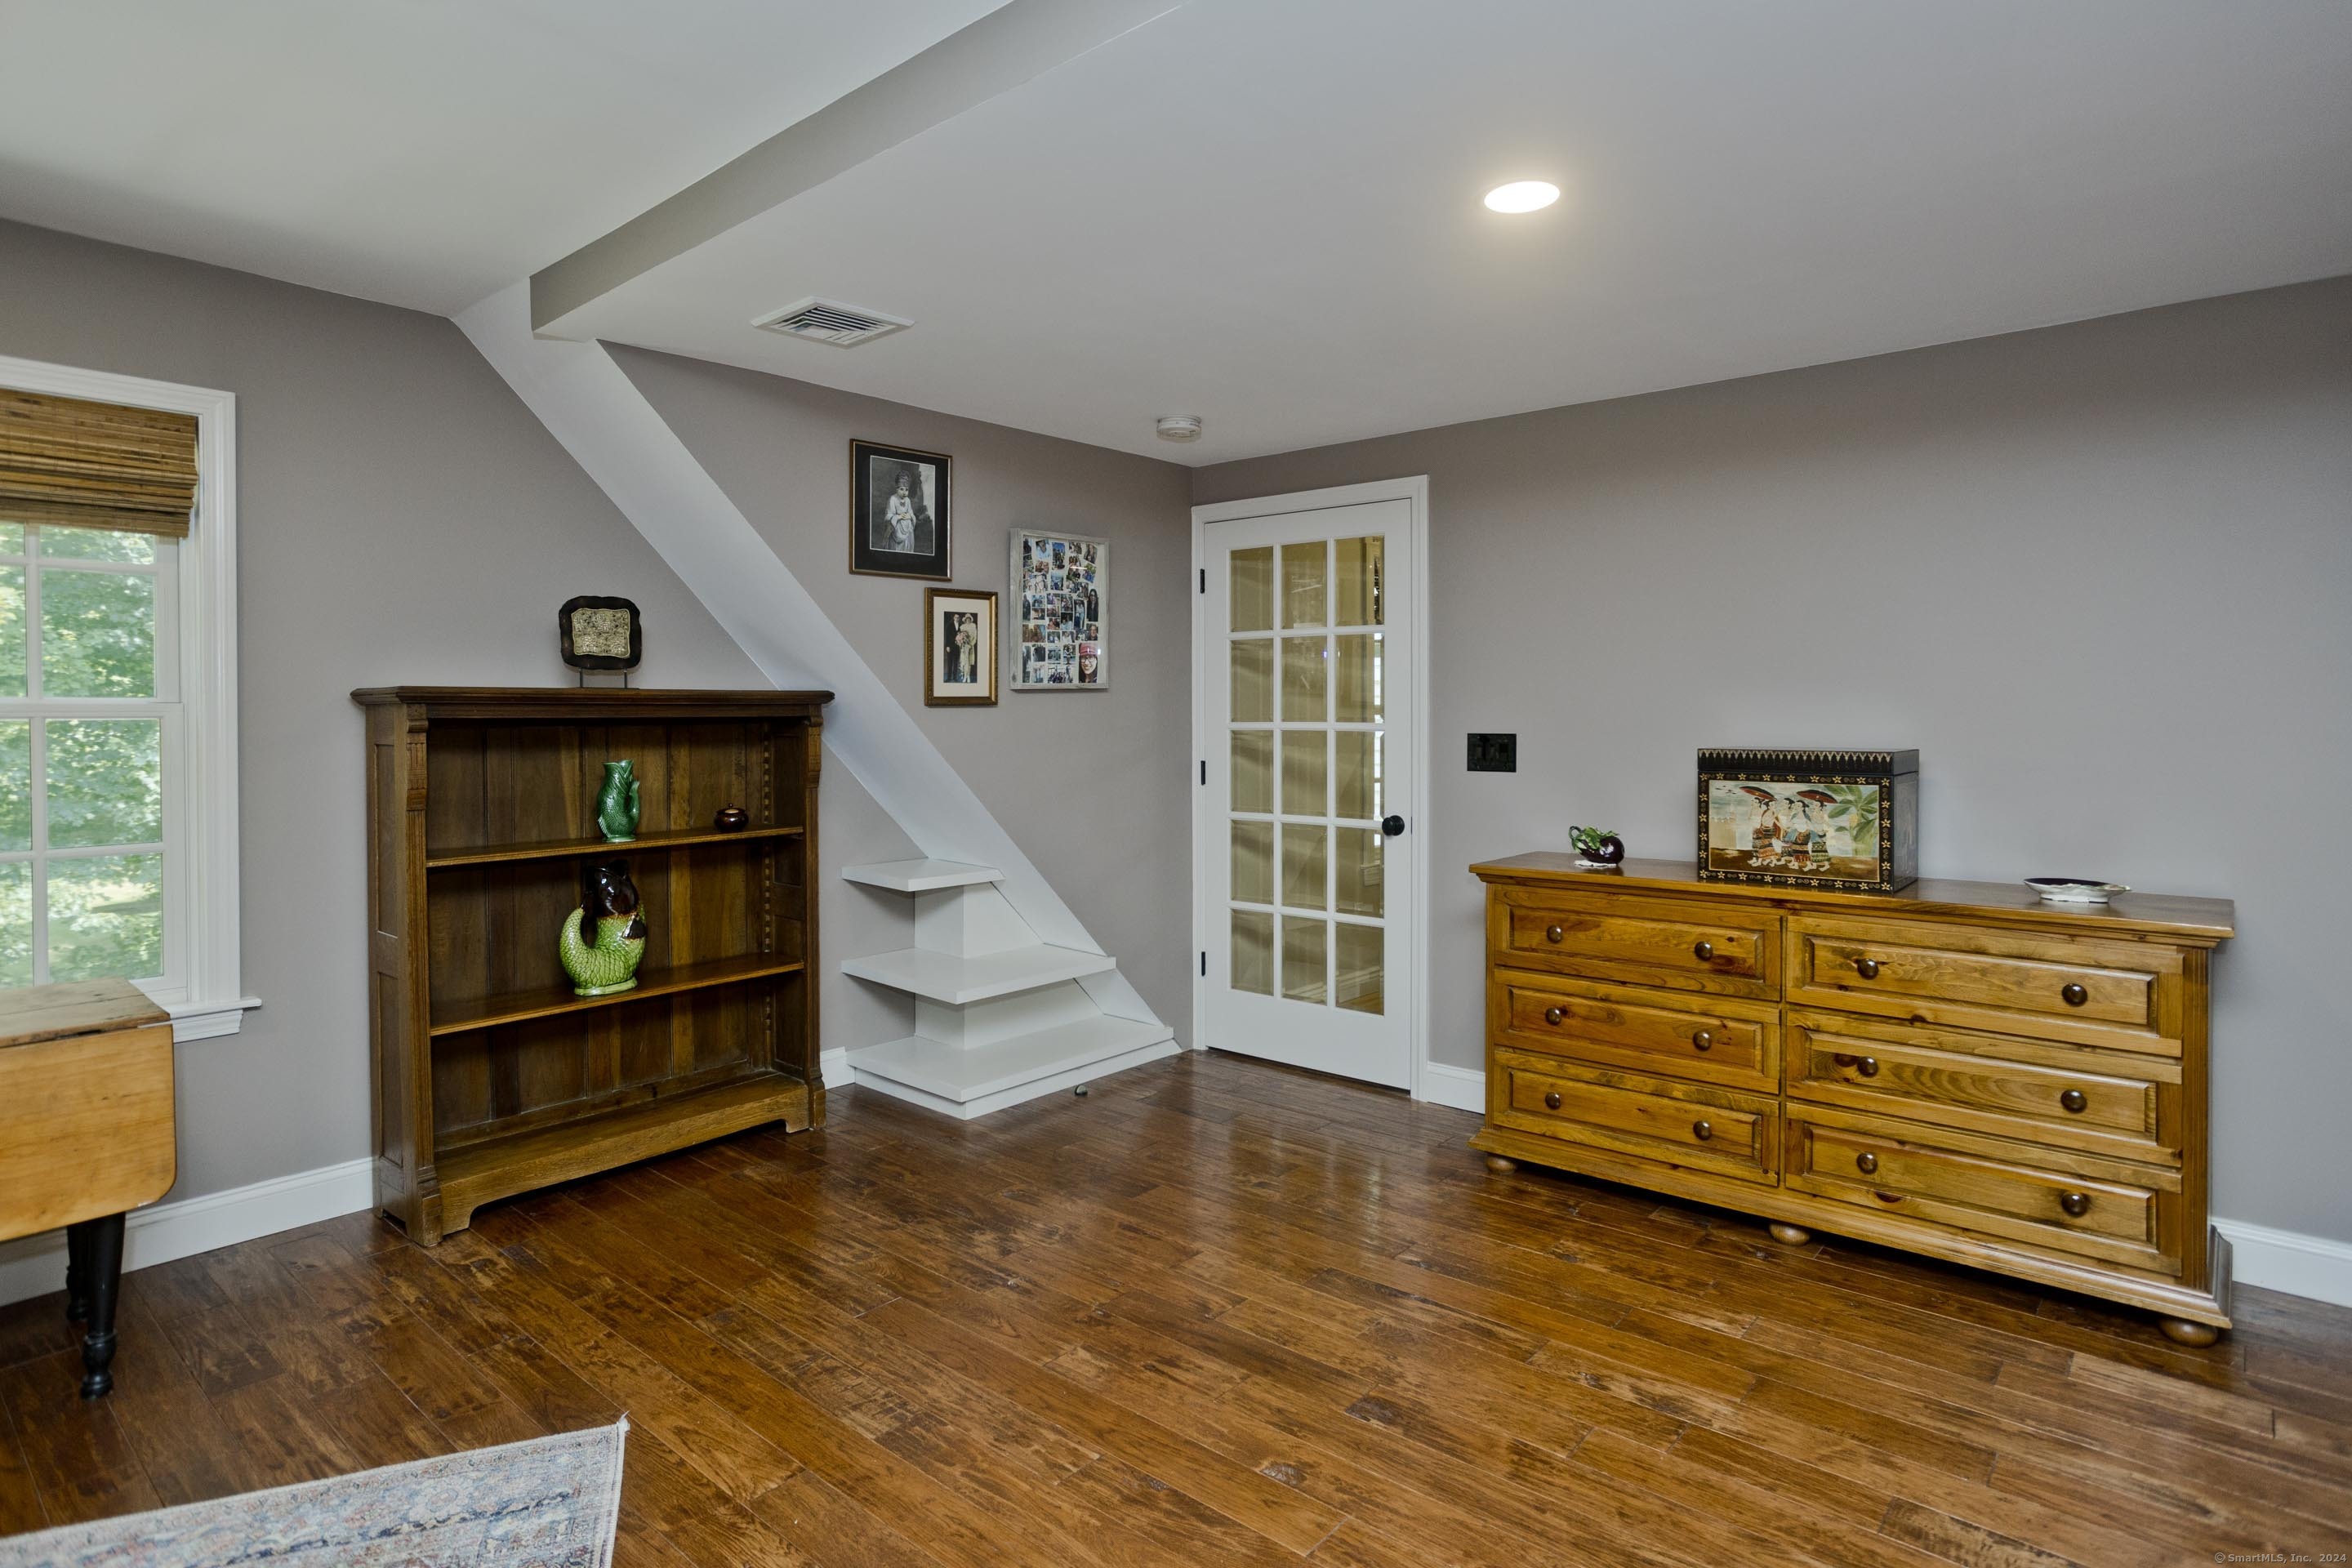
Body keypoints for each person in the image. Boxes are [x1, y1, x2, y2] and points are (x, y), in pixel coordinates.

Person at [882, 473, 917, 552]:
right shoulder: (892, 499)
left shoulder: (908, 500)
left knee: (908, 539)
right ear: (897, 489)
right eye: (902, 489)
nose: (904, 492)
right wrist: (898, 517)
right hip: (896, 528)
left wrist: (910, 517)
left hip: (907, 528)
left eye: (906, 490)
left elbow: (910, 512)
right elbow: (889, 515)